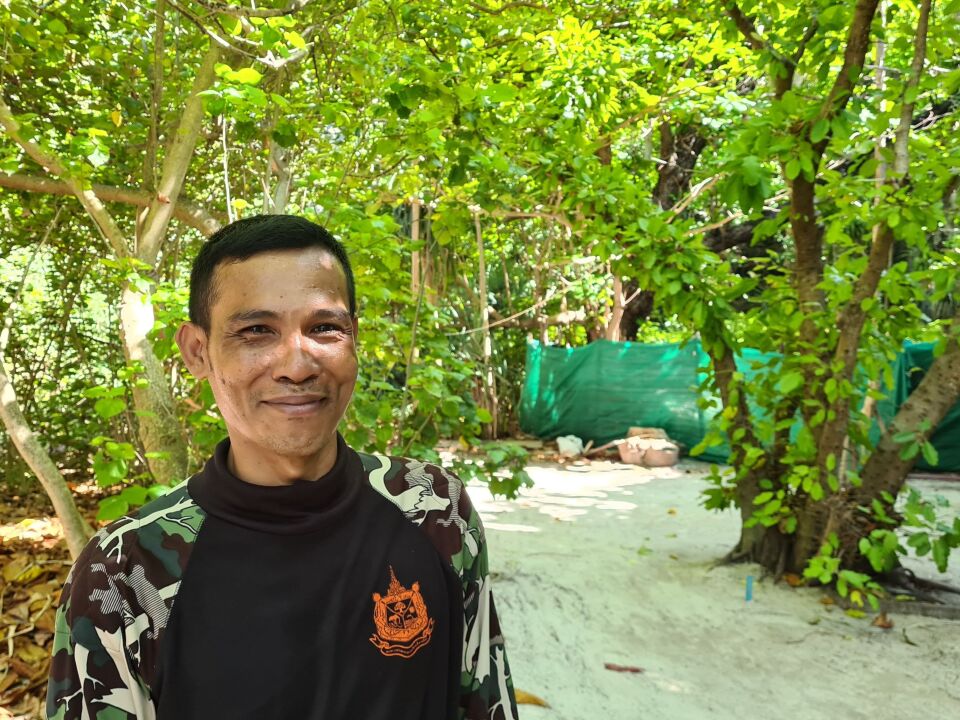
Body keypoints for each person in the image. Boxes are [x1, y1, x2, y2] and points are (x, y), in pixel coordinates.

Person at [46, 215, 519, 720]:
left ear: (353, 338)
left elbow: (484, 701)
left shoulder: (433, 508)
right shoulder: (123, 572)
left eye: (324, 328)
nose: (297, 365)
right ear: (197, 351)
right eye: (256, 331)